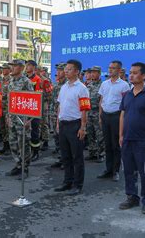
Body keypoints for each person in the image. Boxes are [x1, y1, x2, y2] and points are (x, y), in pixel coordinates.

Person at [119, 62, 145, 215]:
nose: (131, 75)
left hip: (144, 141)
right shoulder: (127, 95)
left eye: (135, 73)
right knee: (129, 171)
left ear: (143, 76)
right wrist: (121, 135)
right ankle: (132, 197)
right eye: (130, 72)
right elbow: (123, 115)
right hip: (128, 140)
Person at [54, 59, 91, 196]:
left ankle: (77, 184)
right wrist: (58, 123)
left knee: (77, 157)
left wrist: (83, 127)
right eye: (66, 69)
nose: (66, 71)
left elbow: (85, 110)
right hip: (63, 124)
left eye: (69, 69)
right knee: (66, 156)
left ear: (76, 71)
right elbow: (60, 106)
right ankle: (67, 181)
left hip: (75, 125)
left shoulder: (82, 88)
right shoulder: (64, 87)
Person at [98, 60, 130, 182]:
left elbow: (126, 104)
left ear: (119, 70)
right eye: (109, 67)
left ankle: (116, 170)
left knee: (116, 145)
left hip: (117, 117)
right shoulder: (104, 84)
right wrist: (100, 116)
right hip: (105, 116)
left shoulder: (124, 85)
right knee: (107, 144)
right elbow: (101, 100)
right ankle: (108, 169)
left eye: (113, 68)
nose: (110, 70)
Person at [6, 59, 34, 177]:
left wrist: (29, 120)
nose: (12, 68)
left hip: (22, 118)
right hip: (12, 118)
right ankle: (18, 165)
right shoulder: (11, 81)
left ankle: (25, 168)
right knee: (13, 143)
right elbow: (9, 100)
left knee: (23, 143)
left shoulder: (26, 82)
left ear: (21, 68)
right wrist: (7, 115)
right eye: (11, 66)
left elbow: (33, 100)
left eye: (15, 66)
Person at [50, 63, 67, 168]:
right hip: (54, 113)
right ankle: (61, 158)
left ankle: (66, 160)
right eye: (57, 70)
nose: (58, 72)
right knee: (57, 137)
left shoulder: (67, 85)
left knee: (64, 138)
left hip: (64, 114)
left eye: (61, 70)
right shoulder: (56, 85)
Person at [85, 66, 104, 162]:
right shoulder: (88, 85)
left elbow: (102, 99)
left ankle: (101, 154)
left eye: (95, 72)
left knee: (99, 134)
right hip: (89, 112)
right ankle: (92, 152)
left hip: (97, 112)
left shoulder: (103, 85)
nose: (92, 74)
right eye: (91, 72)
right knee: (90, 133)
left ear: (99, 73)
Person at [25, 60, 43, 160]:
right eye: (26, 65)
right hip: (25, 107)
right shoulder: (24, 78)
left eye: (29, 65)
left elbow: (38, 96)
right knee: (26, 131)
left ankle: (35, 152)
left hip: (34, 108)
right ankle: (28, 151)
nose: (26, 67)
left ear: (34, 67)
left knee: (34, 131)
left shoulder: (37, 79)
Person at [36, 65, 53, 151]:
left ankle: (45, 141)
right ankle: (37, 140)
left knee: (44, 123)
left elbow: (50, 93)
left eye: (37, 70)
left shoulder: (45, 80)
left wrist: (46, 103)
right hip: (35, 104)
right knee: (36, 124)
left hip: (43, 103)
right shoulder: (32, 79)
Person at [0, 63, 12, 155]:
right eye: (3, 69)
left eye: (5, 68)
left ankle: (11, 147)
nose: (3, 70)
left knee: (9, 128)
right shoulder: (1, 80)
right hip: (0, 106)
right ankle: (5, 145)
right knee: (2, 127)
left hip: (8, 107)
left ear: (9, 70)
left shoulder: (11, 80)